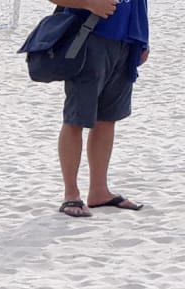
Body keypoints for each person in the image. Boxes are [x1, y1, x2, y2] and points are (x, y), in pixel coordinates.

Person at [51, 0, 149, 217]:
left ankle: (99, 191)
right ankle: (71, 194)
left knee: (107, 118)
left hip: (127, 42)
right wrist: (89, 4)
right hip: (89, 38)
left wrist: (143, 39)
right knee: (76, 118)